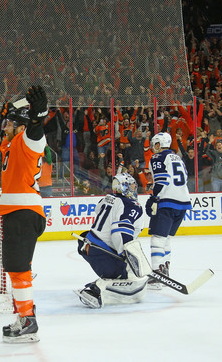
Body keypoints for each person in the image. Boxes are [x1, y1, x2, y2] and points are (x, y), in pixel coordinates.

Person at [0, 86, 47, 344]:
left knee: (17, 268)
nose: (5, 127)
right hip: (19, 213)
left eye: (9, 123)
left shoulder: (27, 141)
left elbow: (36, 132)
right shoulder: (11, 144)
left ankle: (27, 319)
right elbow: (3, 134)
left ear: (20, 126)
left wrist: (37, 116)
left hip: (23, 212)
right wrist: (10, 112)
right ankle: (24, 314)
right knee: (16, 267)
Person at [74, 173, 147, 308]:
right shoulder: (132, 205)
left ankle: (102, 284)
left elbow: (98, 211)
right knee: (128, 279)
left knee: (128, 275)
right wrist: (126, 254)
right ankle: (96, 290)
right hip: (101, 251)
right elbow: (119, 231)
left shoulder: (107, 198)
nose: (133, 188)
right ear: (124, 187)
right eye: (131, 185)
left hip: (88, 246)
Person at [145, 132, 192, 289]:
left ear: (159, 144)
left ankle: (157, 276)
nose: (153, 147)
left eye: (154, 144)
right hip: (183, 202)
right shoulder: (177, 157)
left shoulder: (157, 158)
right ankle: (165, 271)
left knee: (157, 238)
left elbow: (161, 179)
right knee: (165, 239)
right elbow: (185, 176)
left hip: (167, 202)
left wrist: (153, 197)